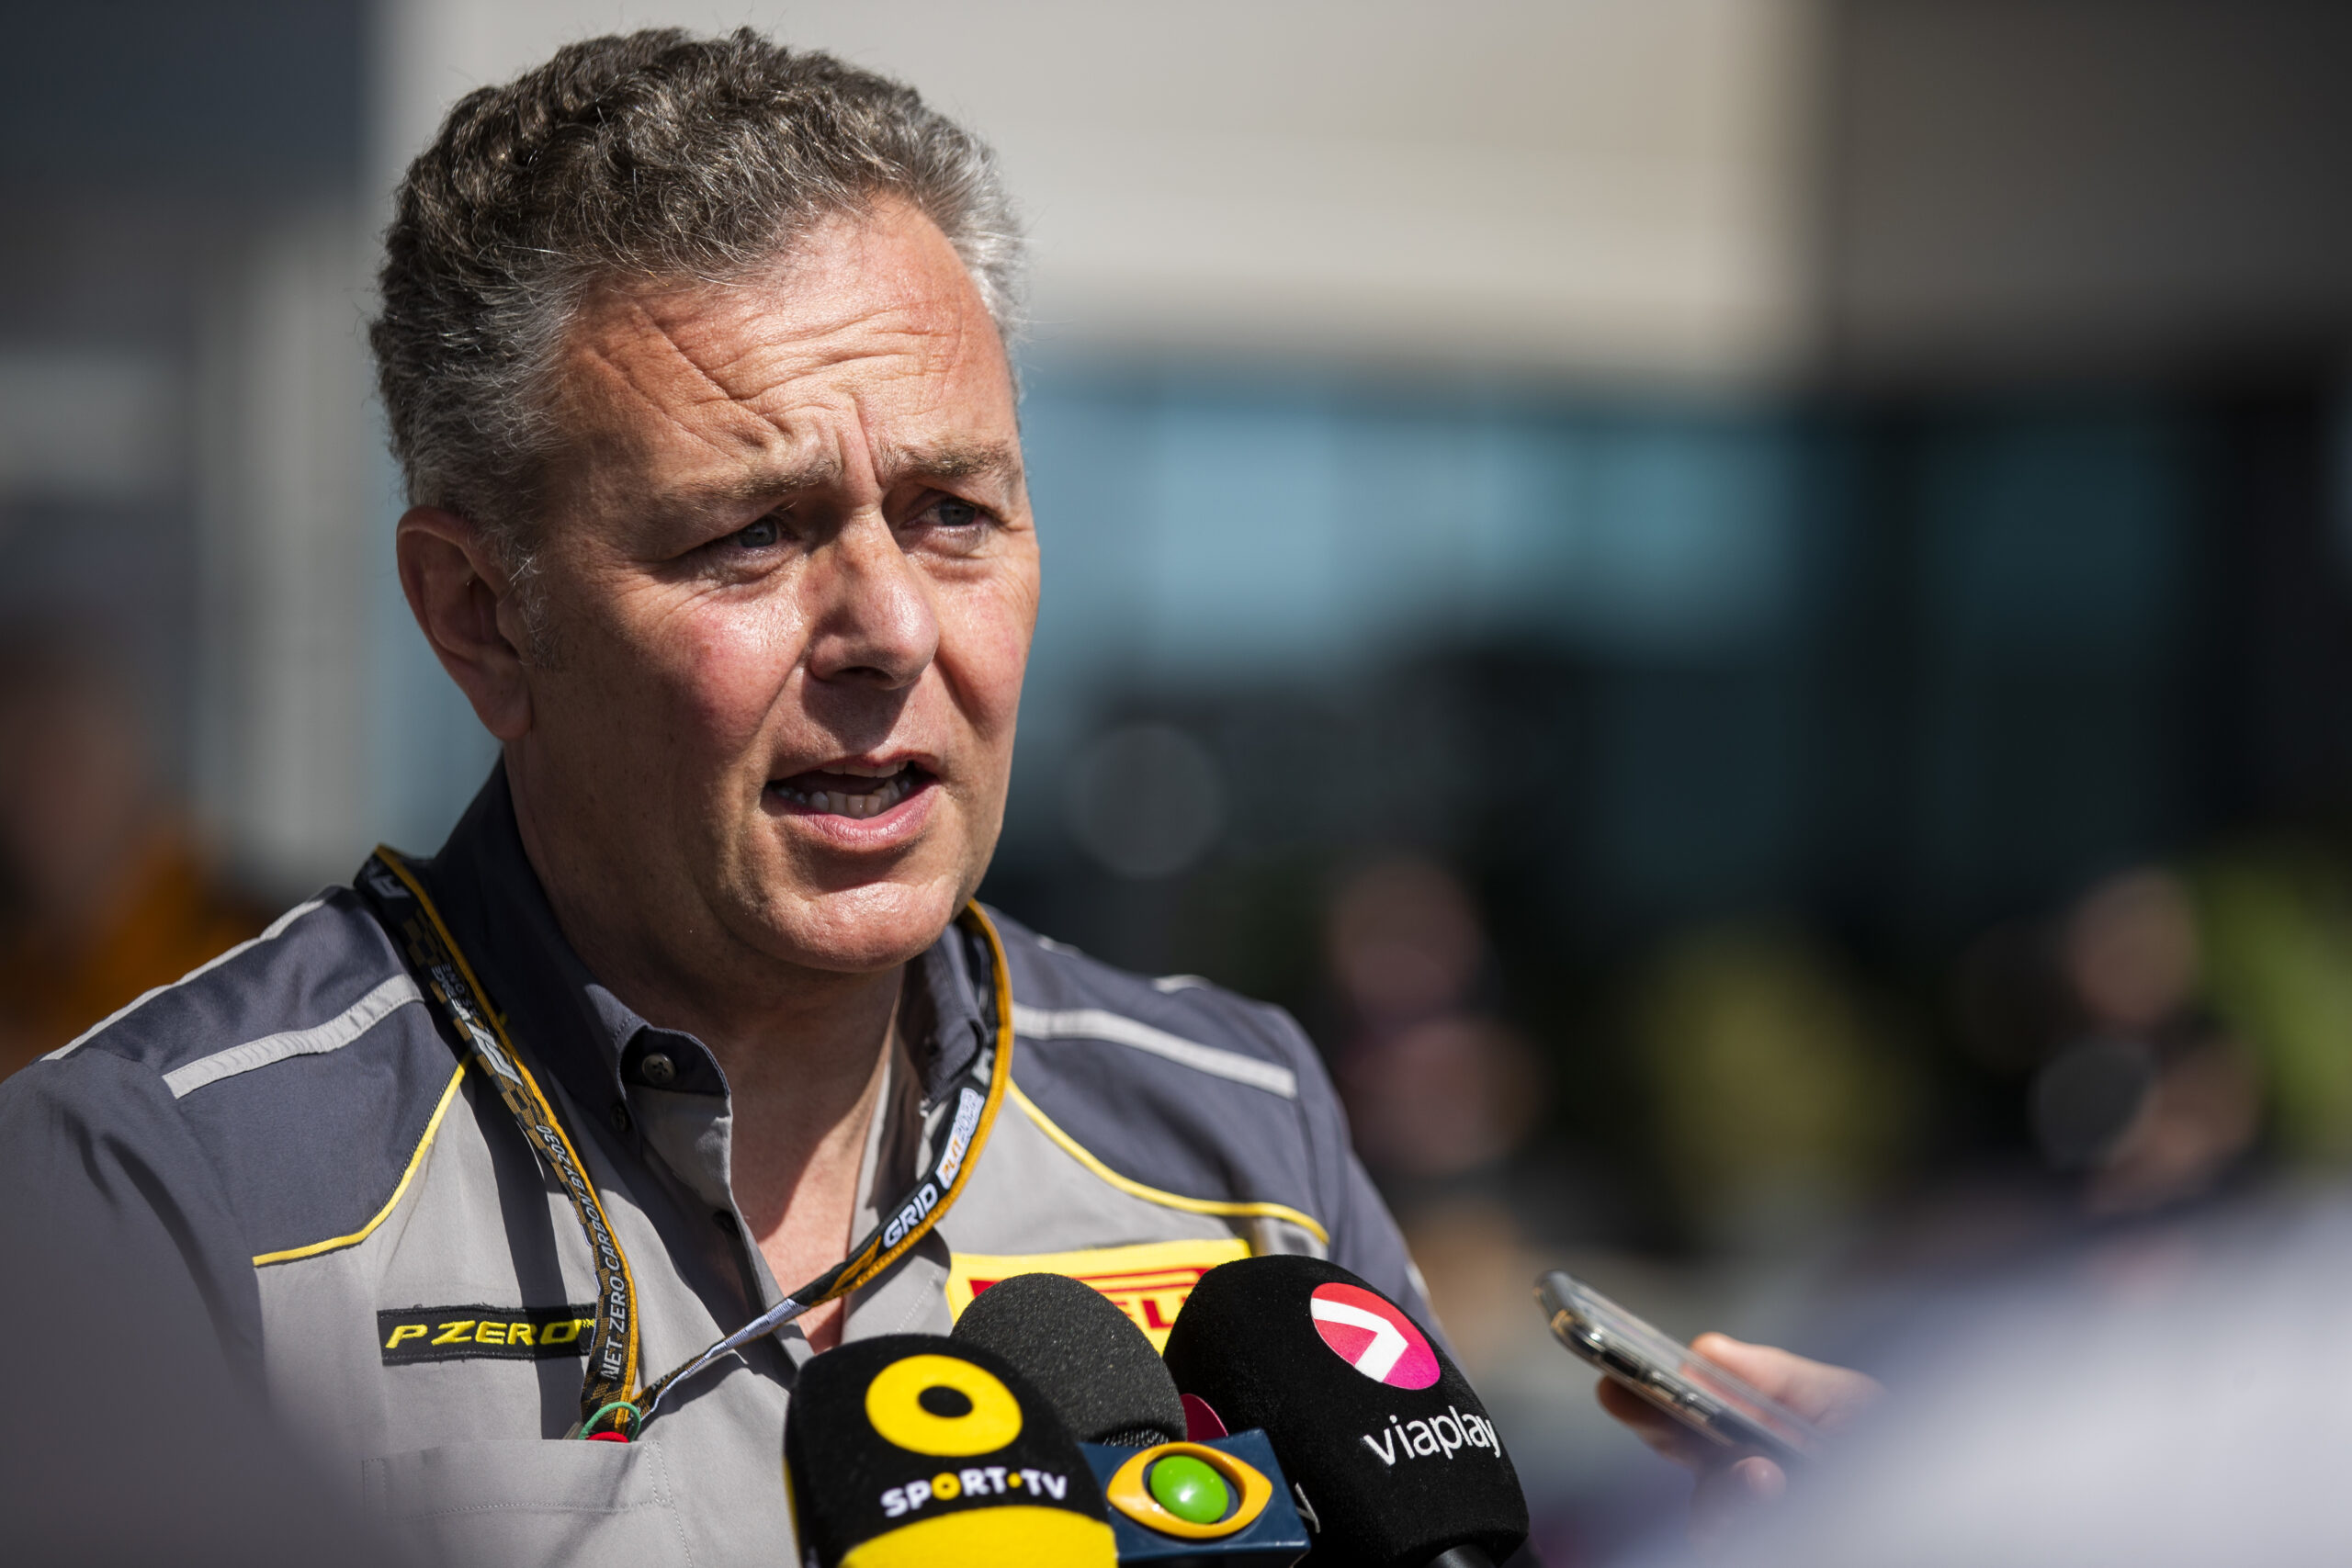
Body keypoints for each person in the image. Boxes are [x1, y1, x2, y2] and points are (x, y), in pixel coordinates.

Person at [0, 31, 1424, 1565]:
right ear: (483, 617)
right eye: (754, 534)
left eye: (953, 511)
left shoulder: (1240, 1136)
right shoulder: (158, 1192)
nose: (892, 628)